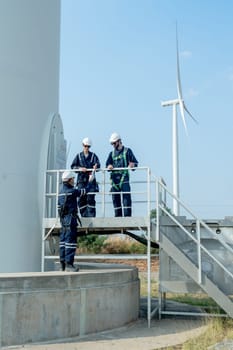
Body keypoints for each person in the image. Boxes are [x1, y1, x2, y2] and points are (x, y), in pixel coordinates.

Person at [58, 170, 89, 272]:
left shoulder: (61, 191)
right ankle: (69, 264)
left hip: (63, 219)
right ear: (70, 180)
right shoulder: (71, 191)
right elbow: (84, 191)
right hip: (71, 219)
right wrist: (90, 180)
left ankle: (62, 264)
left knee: (63, 241)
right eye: (73, 179)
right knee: (70, 242)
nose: (74, 181)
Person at [106, 132, 138, 217]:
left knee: (126, 198)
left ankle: (127, 218)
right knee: (115, 199)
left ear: (119, 141)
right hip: (114, 180)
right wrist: (109, 166)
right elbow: (107, 164)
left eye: (114, 143)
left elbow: (135, 163)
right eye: (112, 143)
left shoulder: (127, 151)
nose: (113, 145)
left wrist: (132, 165)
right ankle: (118, 218)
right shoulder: (111, 154)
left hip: (124, 179)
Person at [71, 137, 101, 217]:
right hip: (81, 181)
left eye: (88, 146)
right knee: (81, 199)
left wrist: (96, 167)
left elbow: (98, 166)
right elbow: (73, 167)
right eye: (85, 146)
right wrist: (80, 169)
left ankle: (92, 217)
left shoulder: (93, 156)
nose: (87, 148)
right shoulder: (78, 156)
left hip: (90, 181)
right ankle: (84, 217)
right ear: (82, 145)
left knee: (90, 198)